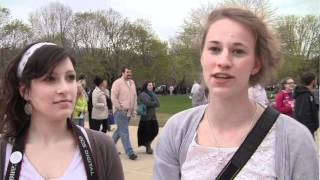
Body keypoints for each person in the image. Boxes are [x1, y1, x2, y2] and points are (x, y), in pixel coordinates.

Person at [153, 7, 318, 180]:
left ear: (256, 64)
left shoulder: (295, 139)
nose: (223, 61)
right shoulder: (176, 130)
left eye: (238, 51)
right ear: (202, 57)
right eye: (215, 49)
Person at [0, 42, 124, 180]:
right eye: (50, 79)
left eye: (70, 77)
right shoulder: (3, 152)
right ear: (25, 91)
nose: (65, 89)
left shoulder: (102, 147)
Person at [111, 67, 138, 160]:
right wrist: (119, 107)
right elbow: (113, 97)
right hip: (120, 112)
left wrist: (134, 110)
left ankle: (109, 146)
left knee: (120, 131)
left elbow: (134, 97)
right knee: (124, 131)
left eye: (130, 72)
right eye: (127, 72)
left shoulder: (132, 83)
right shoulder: (117, 83)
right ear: (122, 73)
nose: (129, 74)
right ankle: (130, 152)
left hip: (129, 112)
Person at [137, 80, 160, 154]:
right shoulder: (143, 94)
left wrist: (154, 103)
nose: (151, 86)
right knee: (147, 133)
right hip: (146, 117)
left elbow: (158, 103)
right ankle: (148, 146)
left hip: (153, 116)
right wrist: (154, 103)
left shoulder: (153, 94)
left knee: (155, 131)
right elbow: (147, 103)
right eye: (149, 85)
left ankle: (148, 143)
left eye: (151, 85)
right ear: (146, 86)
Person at [293, 72, 319, 136]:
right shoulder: (304, 95)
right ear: (313, 81)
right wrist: (310, 129)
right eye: (316, 80)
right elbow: (303, 114)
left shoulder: (307, 93)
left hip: (308, 129)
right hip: (306, 131)